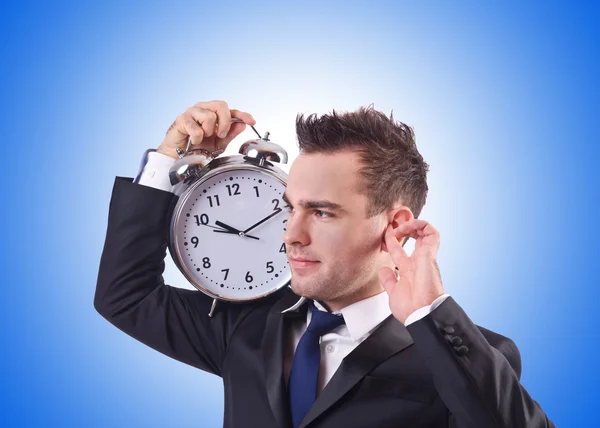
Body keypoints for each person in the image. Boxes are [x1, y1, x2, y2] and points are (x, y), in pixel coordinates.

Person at [94, 100, 554, 427]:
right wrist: (168, 160)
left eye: (322, 212)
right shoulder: (245, 326)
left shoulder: (463, 357)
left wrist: (430, 315)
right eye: (288, 207)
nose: (291, 234)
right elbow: (126, 296)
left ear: (395, 226)